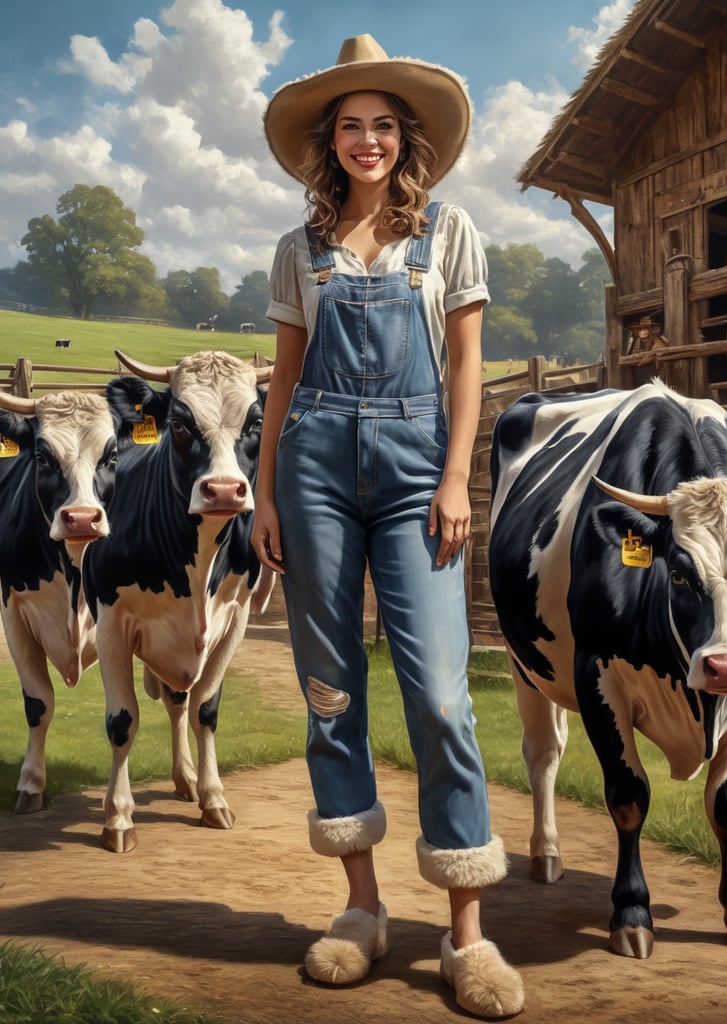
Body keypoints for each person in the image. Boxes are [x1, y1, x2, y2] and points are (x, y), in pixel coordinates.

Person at [253, 33, 524, 1020]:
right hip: (314, 463)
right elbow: (283, 379)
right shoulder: (298, 249)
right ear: (329, 142)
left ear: (405, 138)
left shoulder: (449, 234)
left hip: (420, 472)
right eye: (349, 126)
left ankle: (467, 934)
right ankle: (362, 911)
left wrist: (458, 477)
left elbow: (465, 367)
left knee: (442, 694)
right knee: (330, 690)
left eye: (382, 125)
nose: (367, 140)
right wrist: (267, 490)